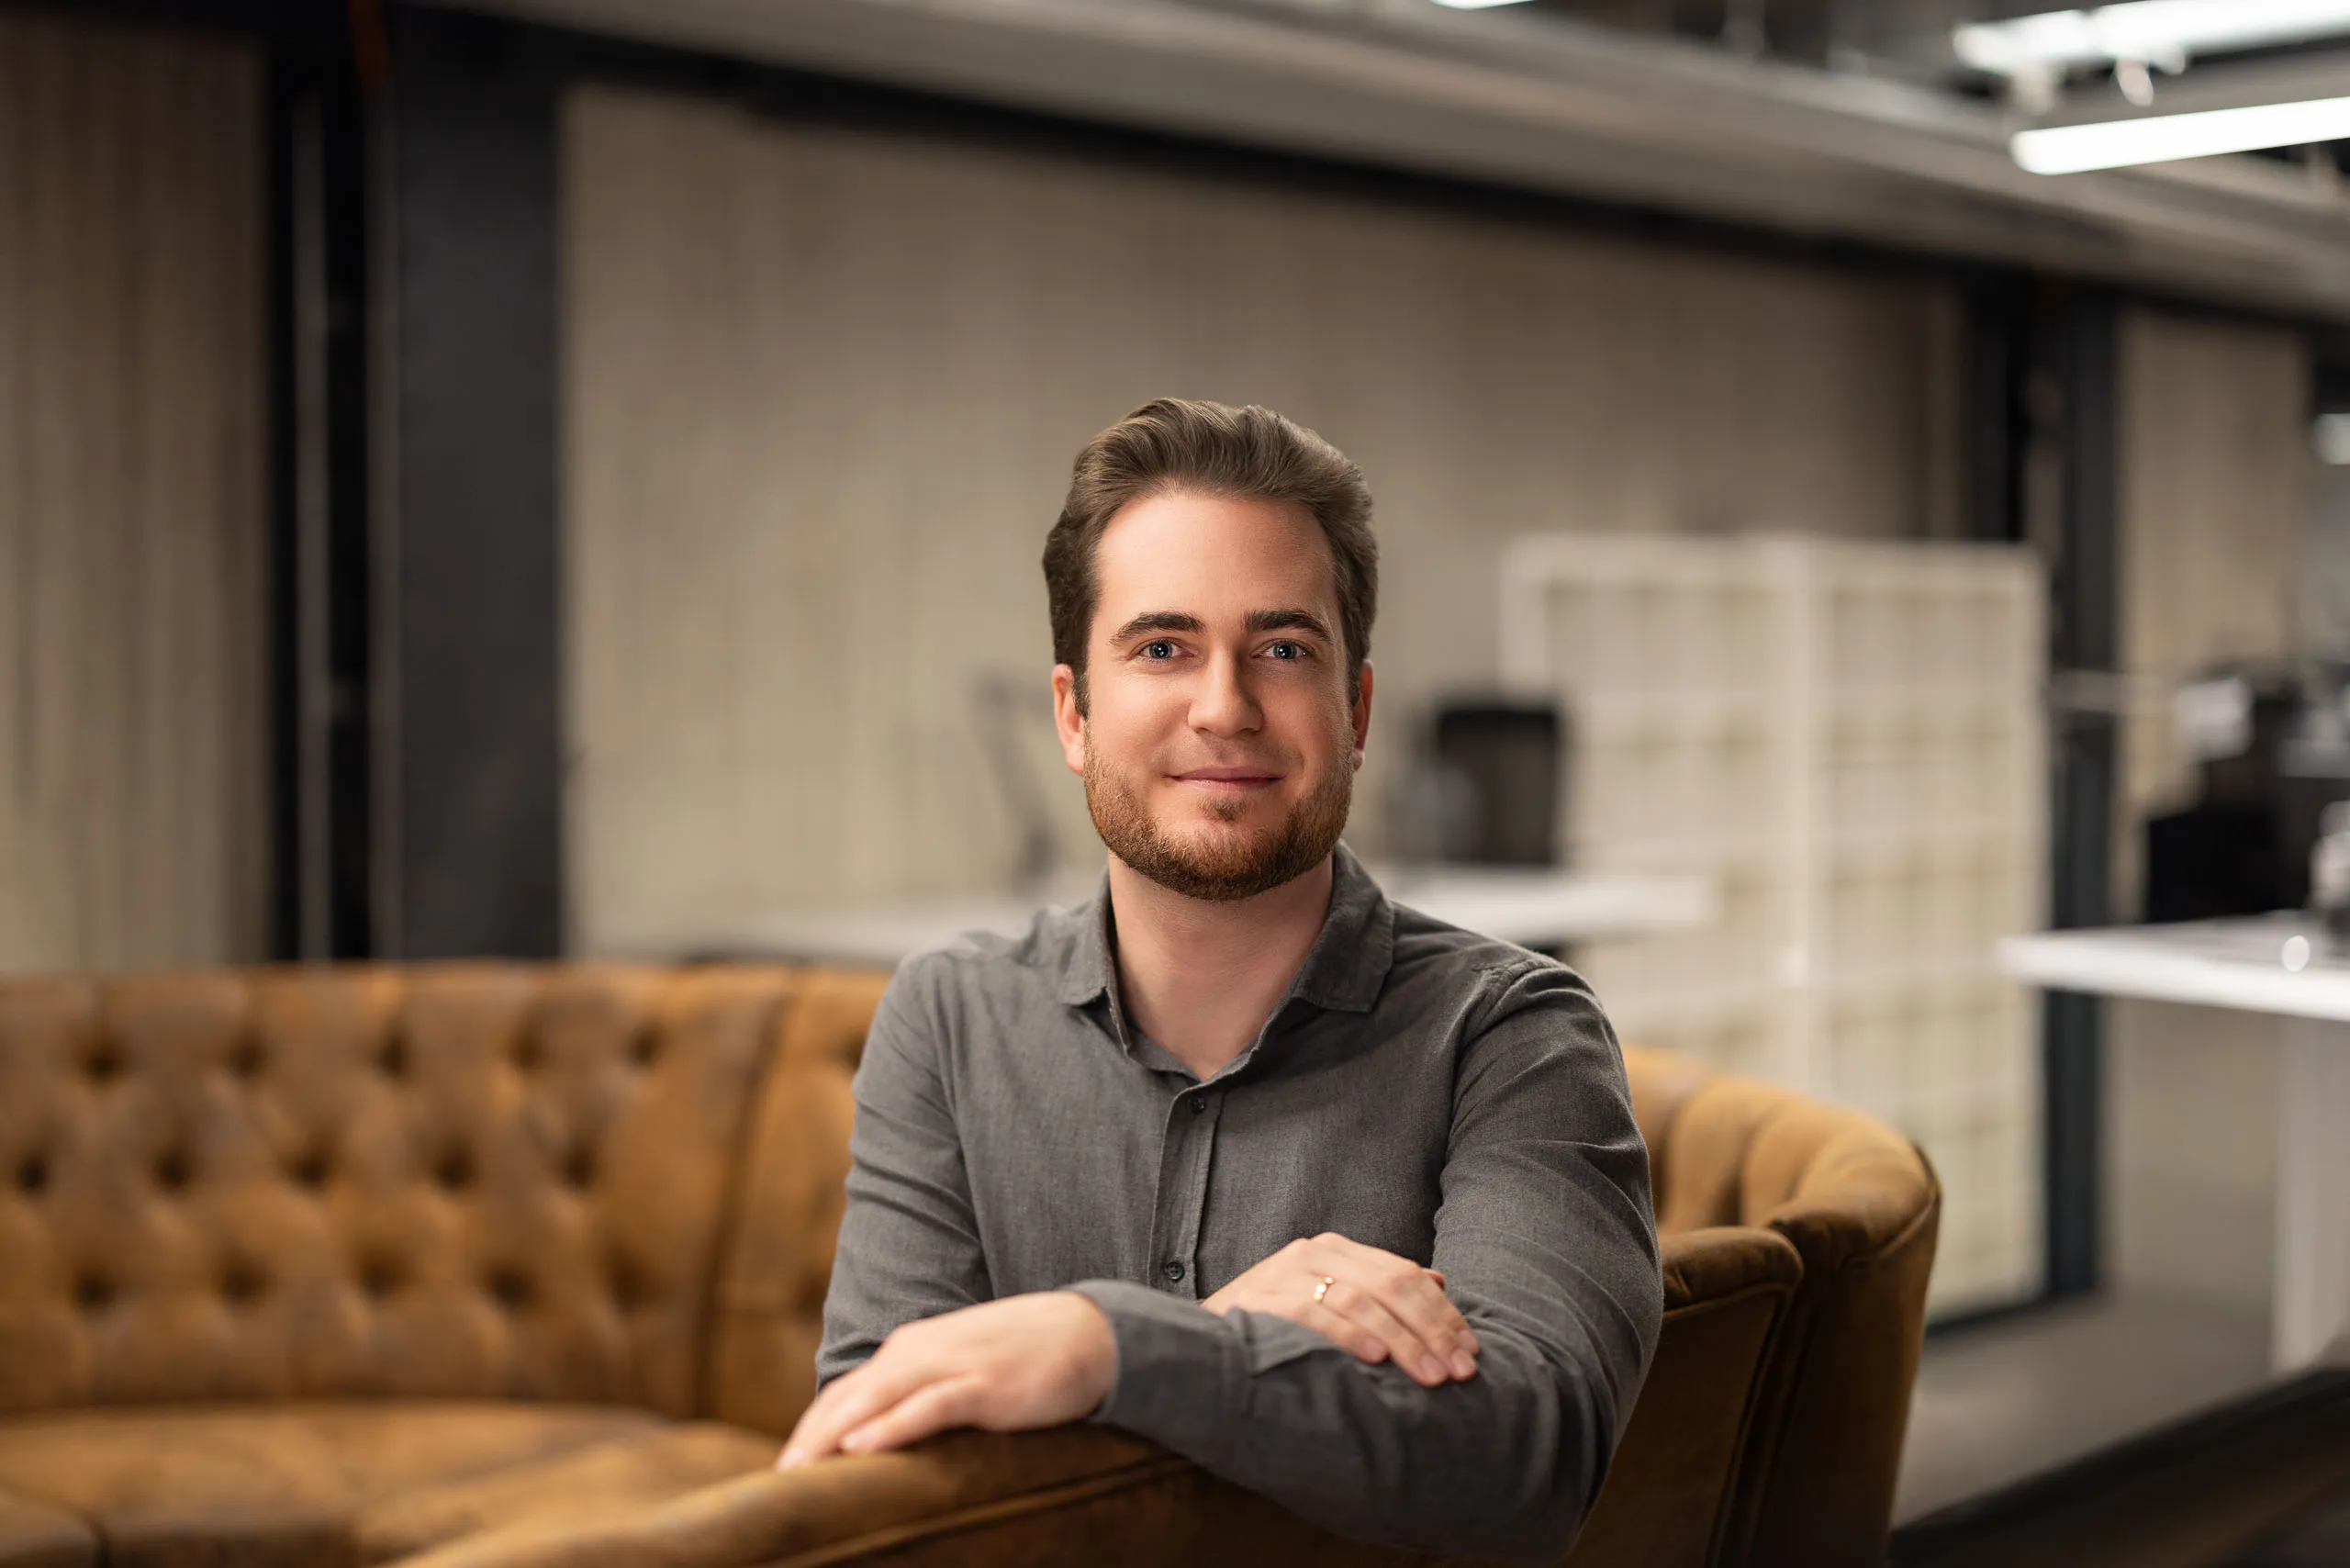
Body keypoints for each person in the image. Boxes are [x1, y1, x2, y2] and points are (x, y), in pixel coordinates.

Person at [778, 398, 1661, 1564]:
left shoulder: (1513, 1034)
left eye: (1283, 648)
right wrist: (1223, 1337)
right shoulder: (950, 1017)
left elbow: (1523, 1461)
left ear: (1353, 712)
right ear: (1073, 714)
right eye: (1162, 647)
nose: (1224, 705)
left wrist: (1103, 1347)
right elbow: (878, 1457)